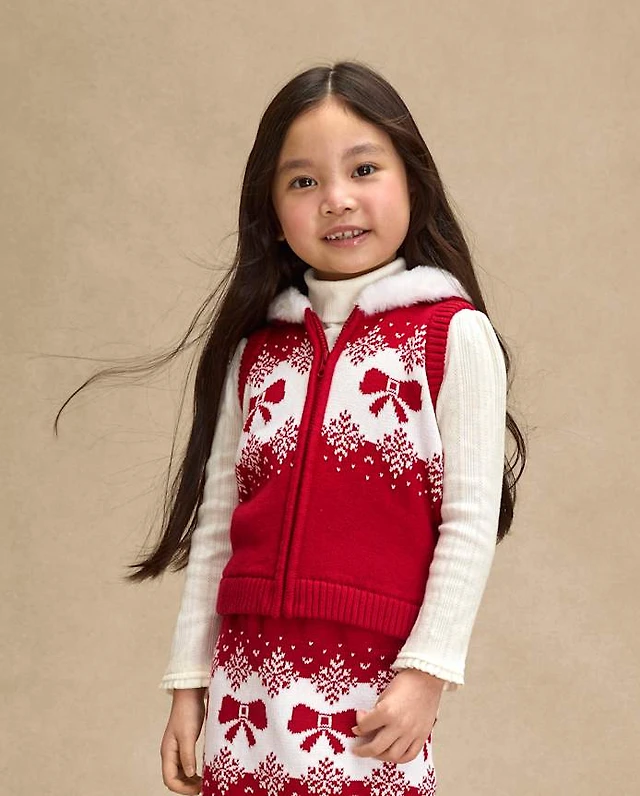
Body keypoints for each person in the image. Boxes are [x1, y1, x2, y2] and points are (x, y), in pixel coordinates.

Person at [121, 61, 525, 795]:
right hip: (244, 683)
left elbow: (468, 522)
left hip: (370, 682)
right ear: (271, 211)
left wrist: (427, 674)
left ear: (413, 182)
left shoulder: (452, 338)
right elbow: (217, 527)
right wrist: (187, 686)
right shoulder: (257, 353)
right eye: (303, 181)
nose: (337, 199)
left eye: (364, 169)